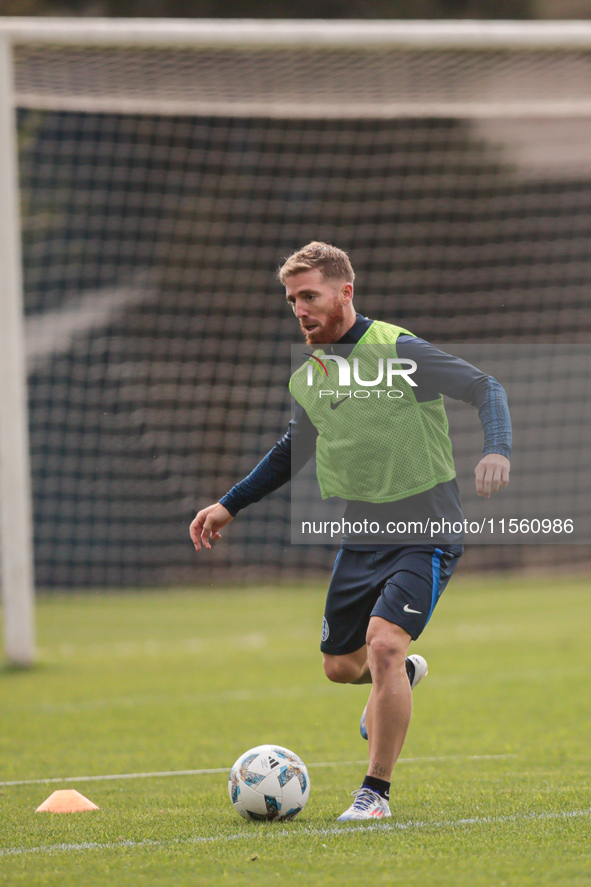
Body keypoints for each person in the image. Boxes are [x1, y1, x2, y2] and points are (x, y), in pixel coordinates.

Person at [190, 242, 511, 822]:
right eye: (292, 300)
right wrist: (229, 504)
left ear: (345, 293)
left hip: (427, 528)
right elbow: (295, 449)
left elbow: (487, 389)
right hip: (363, 535)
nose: (300, 309)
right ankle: (402, 675)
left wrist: (497, 451)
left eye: (309, 295)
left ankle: (375, 795)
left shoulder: (397, 349)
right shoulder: (312, 374)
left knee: (384, 644)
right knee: (341, 665)